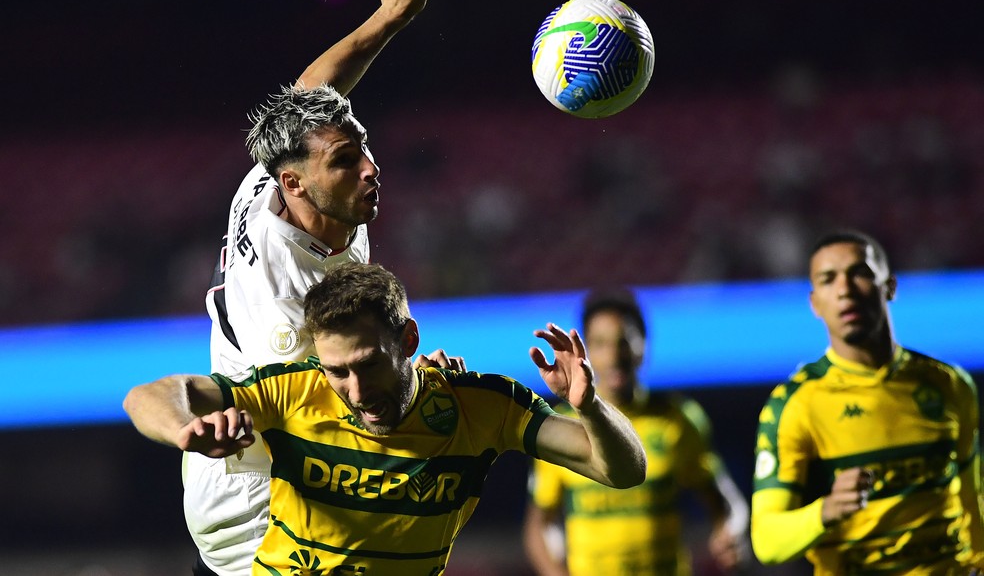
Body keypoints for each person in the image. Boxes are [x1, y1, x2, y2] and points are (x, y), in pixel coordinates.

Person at [185, 0, 461, 576]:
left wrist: (388, 16)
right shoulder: (287, 303)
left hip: (297, 489)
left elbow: (314, 89)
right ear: (297, 185)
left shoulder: (280, 172)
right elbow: (331, 409)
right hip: (260, 507)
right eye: (347, 162)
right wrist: (419, 380)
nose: (371, 170)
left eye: (363, 147)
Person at [124, 262, 647, 575]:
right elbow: (149, 395)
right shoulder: (295, 390)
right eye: (336, 372)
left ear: (409, 342)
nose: (355, 390)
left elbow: (625, 470)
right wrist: (182, 429)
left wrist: (590, 407)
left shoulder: (483, 407)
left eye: (368, 365)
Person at [751, 229, 984, 574]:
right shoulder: (795, 404)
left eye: (859, 272)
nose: (844, 290)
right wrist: (826, 510)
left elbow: (971, 498)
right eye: (828, 280)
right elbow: (767, 542)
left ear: (889, 287)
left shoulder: (949, 384)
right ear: (815, 303)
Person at [523, 287, 750, 576]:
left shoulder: (678, 419)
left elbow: (725, 502)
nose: (614, 355)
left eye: (624, 341)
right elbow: (540, 524)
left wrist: (730, 533)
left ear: (644, 345)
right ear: (586, 351)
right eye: (601, 343)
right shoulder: (561, 427)